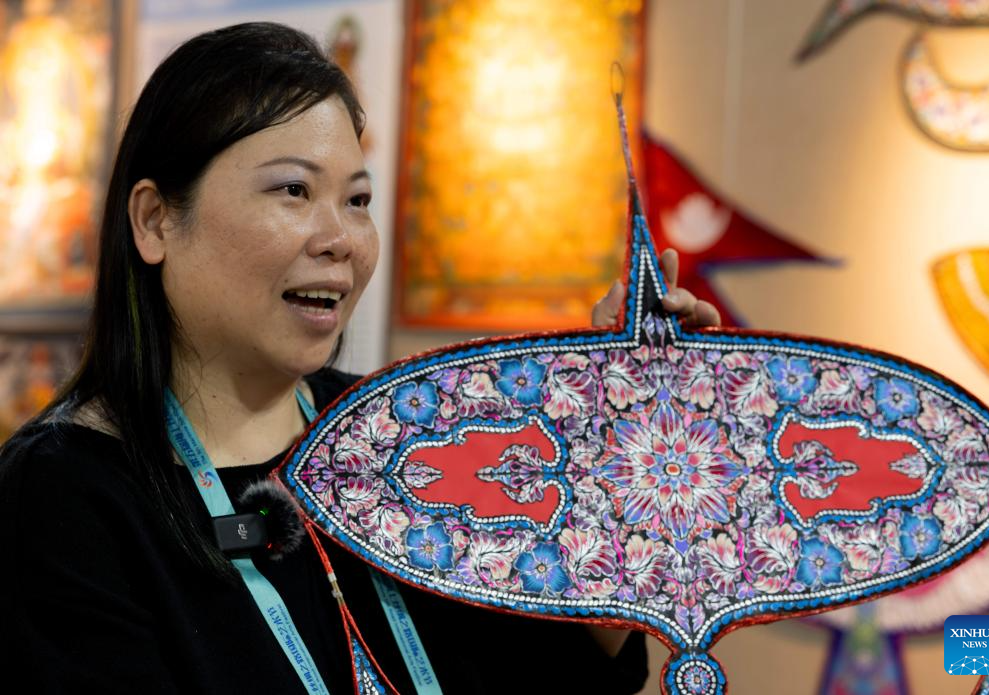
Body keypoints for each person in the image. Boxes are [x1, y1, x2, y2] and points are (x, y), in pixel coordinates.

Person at [0, 22, 720, 694]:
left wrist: (609, 440)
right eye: (294, 190)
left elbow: (563, 672)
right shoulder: (62, 493)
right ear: (155, 220)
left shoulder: (404, 432)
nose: (341, 238)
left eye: (358, 198)